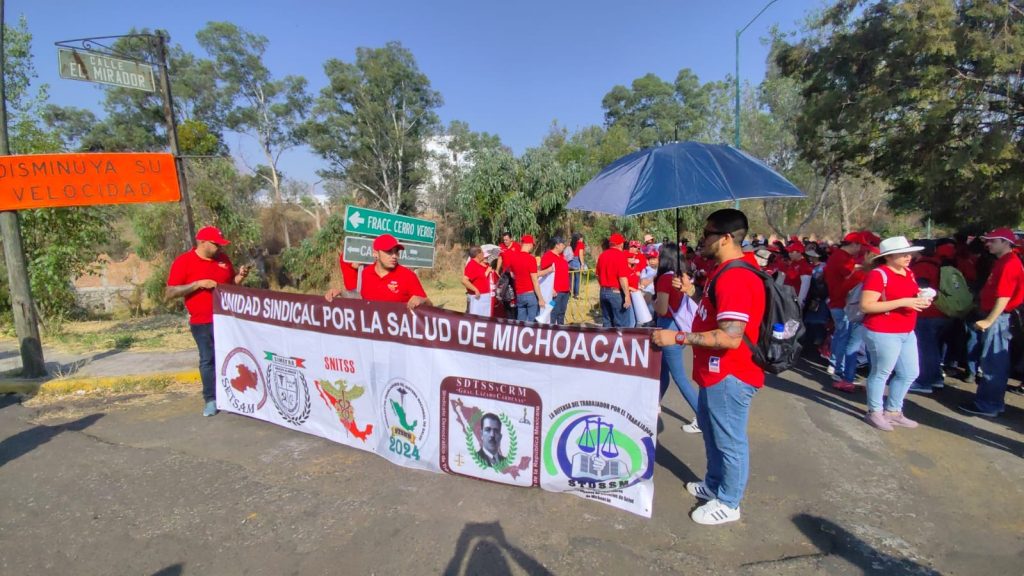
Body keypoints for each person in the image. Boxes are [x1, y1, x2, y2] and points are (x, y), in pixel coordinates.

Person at [652, 208, 765, 526]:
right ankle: (715, 484)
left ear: (726, 238)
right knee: (714, 435)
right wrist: (694, 293)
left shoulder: (736, 276)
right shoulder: (724, 272)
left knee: (729, 440)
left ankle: (729, 502)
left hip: (731, 372)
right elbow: (719, 311)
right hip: (715, 372)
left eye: (707, 234)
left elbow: (730, 337)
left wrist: (677, 335)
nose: (701, 240)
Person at [166, 226, 251, 417]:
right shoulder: (184, 262)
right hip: (202, 321)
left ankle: (235, 396)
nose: (219, 248)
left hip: (227, 319)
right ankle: (211, 399)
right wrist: (198, 284)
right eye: (215, 244)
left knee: (232, 356)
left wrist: (240, 276)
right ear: (202, 242)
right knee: (208, 359)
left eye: (221, 244)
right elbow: (170, 292)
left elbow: (230, 284)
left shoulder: (223, 259)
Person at [858, 237, 930, 431]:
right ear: (889, 257)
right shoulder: (878, 274)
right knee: (881, 372)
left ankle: (893, 411)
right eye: (903, 253)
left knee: (910, 372)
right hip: (882, 330)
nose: (909, 256)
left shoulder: (908, 272)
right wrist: (904, 302)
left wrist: (920, 299)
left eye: (910, 253)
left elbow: (909, 296)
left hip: (906, 330)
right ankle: (875, 411)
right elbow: (866, 305)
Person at [960, 228, 1024, 416]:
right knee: (992, 361)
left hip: (999, 318)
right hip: (999, 317)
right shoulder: (1004, 261)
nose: (988, 244)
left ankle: (989, 405)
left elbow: (1004, 297)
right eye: (988, 240)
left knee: (993, 363)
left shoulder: (1009, 263)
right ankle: (989, 402)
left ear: (1006, 242)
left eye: (993, 241)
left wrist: (989, 320)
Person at [652, 242, 700, 433]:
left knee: (679, 377)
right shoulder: (681, 277)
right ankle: (653, 404)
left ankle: (701, 417)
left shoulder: (665, 279)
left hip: (668, 329)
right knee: (662, 372)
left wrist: (651, 301)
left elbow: (662, 309)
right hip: (679, 328)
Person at [325, 234, 431, 309]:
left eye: (396, 252)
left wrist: (422, 301)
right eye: (389, 251)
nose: (394, 256)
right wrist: (340, 292)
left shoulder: (408, 276)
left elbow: (431, 308)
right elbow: (363, 298)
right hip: (374, 336)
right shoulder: (366, 273)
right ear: (375, 253)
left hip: (398, 337)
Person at [824, 232, 864, 385]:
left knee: (841, 335)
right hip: (841, 303)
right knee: (843, 337)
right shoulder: (841, 257)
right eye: (859, 245)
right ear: (853, 244)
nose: (860, 249)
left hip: (840, 303)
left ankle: (835, 364)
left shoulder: (841, 256)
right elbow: (848, 275)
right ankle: (837, 368)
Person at [596, 233, 633, 327]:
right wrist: (627, 295)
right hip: (616, 292)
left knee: (607, 322)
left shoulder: (602, 255)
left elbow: (597, 275)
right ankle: (621, 342)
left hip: (603, 291)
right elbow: (622, 278)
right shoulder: (620, 256)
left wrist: (603, 286)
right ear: (620, 244)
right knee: (621, 324)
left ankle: (607, 341)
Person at [507, 234, 546, 322]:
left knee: (520, 322)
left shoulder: (513, 257)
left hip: (519, 294)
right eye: (532, 245)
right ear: (529, 244)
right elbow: (535, 280)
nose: (532, 247)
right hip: (530, 294)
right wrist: (540, 299)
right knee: (532, 322)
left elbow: (512, 275)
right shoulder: (531, 259)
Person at [539, 236, 571, 324]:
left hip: (565, 291)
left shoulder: (562, 256)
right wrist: (551, 288)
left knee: (562, 313)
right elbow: (543, 274)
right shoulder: (548, 256)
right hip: (556, 291)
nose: (564, 246)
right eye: (562, 245)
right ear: (557, 245)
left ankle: (561, 331)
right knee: (553, 313)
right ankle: (552, 332)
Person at [462, 246, 494, 317]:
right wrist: (475, 289)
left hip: (485, 297)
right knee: (477, 319)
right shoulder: (471, 265)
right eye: (482, 252)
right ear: (478, 254)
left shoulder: (479, 264)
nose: (483, 254)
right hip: (478, 299)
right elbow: (464, 280)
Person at [566, 233, 586, 298]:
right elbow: (580, 255)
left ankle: (568, 292)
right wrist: (582, 264)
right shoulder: (580, 244)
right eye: (582, 238)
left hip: (569, 262)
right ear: (579, 238)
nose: (582, 239)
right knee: (577, 278)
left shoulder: (571, 244)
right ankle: (576, 294)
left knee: (570, 278)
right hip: (576, 261)